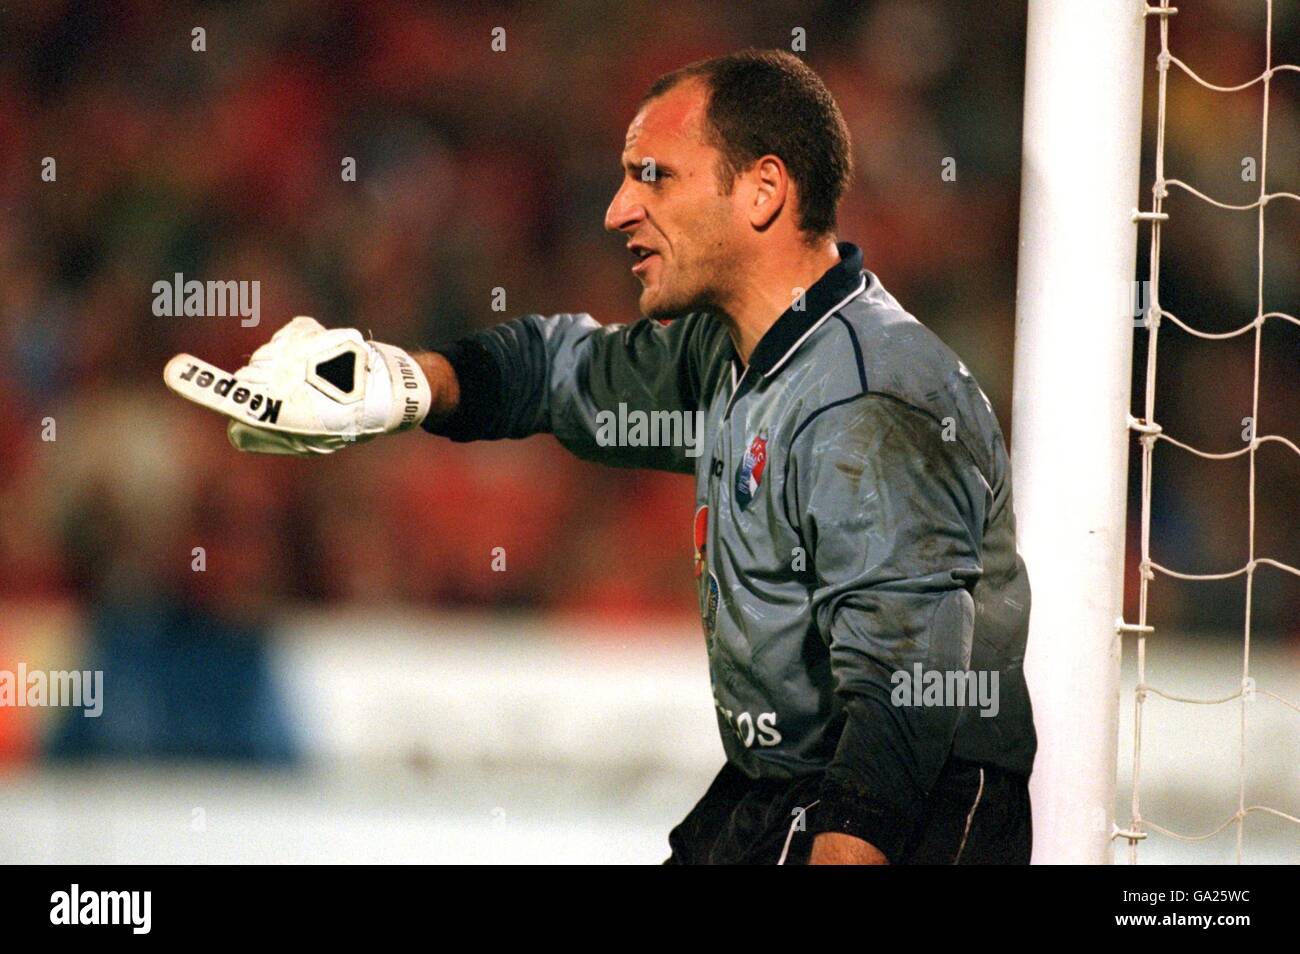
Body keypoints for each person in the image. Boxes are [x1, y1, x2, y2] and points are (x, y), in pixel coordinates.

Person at [166, 49, 1036, 864]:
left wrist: (853, 842)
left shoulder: (869, 397)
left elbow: (911, 681)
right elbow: (559, 372)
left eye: (652, 175)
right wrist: (394, 384)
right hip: (786, 790)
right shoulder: (732, 350)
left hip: (897, 811)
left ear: (763, 190)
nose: (619, 208)